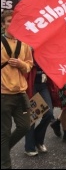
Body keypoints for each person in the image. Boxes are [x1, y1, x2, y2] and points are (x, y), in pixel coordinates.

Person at [1, 10, 34, 169]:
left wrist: (21, 64)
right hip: (3, 95)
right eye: (8, 21)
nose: (11, 24)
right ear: (3, 24)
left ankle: (3, 152)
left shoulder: (25, 44)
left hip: (21, 93)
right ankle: (6, 164)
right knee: (4, 133)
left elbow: (29, 66)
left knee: (25, 127)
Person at [24, 54, 54, 156]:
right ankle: (29, 147)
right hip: (30, 82)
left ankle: (38, 139)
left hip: (43, 83)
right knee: (32, 116)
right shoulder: (27, 44)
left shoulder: (46, 46)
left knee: (49, 113)